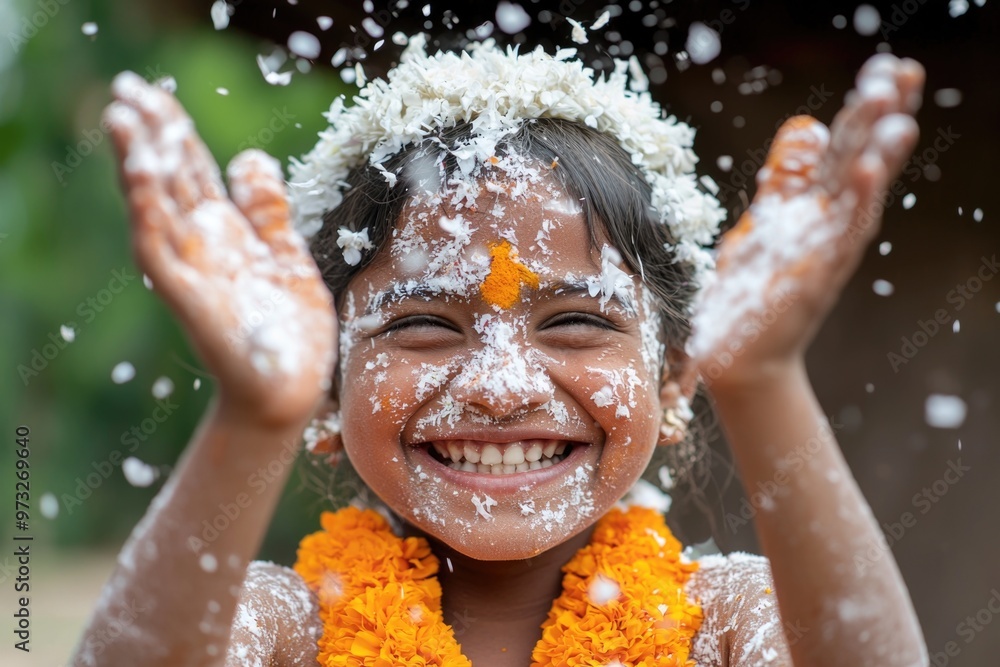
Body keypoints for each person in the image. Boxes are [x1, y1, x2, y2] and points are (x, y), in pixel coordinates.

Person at [71, 35, 928, 667]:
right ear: (330, 383)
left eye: (575, 323)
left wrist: (767, 382)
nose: (498, 386)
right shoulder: (286, 624)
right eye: (423, 324)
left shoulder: (724, 621)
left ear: (673, 375)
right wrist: (253, 415)